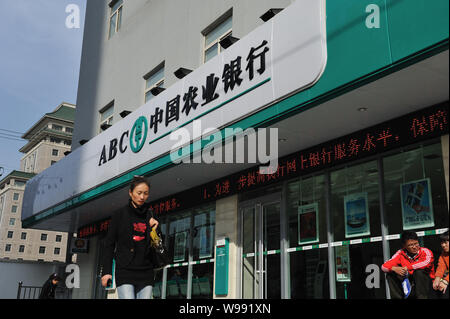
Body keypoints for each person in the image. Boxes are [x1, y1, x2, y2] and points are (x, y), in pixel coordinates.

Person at [100, 176, 159, 299]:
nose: (142, 197)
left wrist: (156, 229)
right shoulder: (119, 215)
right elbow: (109, 244)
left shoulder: (151, 214)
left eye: (146, 193)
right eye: (139, 193)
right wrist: (106, 272)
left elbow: (158, 243)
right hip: (125, 270)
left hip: (146, 270)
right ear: (130, 193)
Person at [382, 231, 435, 299]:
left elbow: (426, 263)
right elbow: (384, 266)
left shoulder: (425, 251)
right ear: (404, 246)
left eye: (416, 243)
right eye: (410, 245)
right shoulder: (400, 253)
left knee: (419, 272)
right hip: (409, 284)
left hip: (427, 286)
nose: (414, 247)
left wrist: (407, 268)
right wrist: (394, 269)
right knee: (390, 274)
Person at [432, 231, 448, 298]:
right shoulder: (443, 254)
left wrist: (445, 281)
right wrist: (437, 279)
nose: (443, 245)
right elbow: (441, 266)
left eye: (445, 242)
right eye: (442, 243)